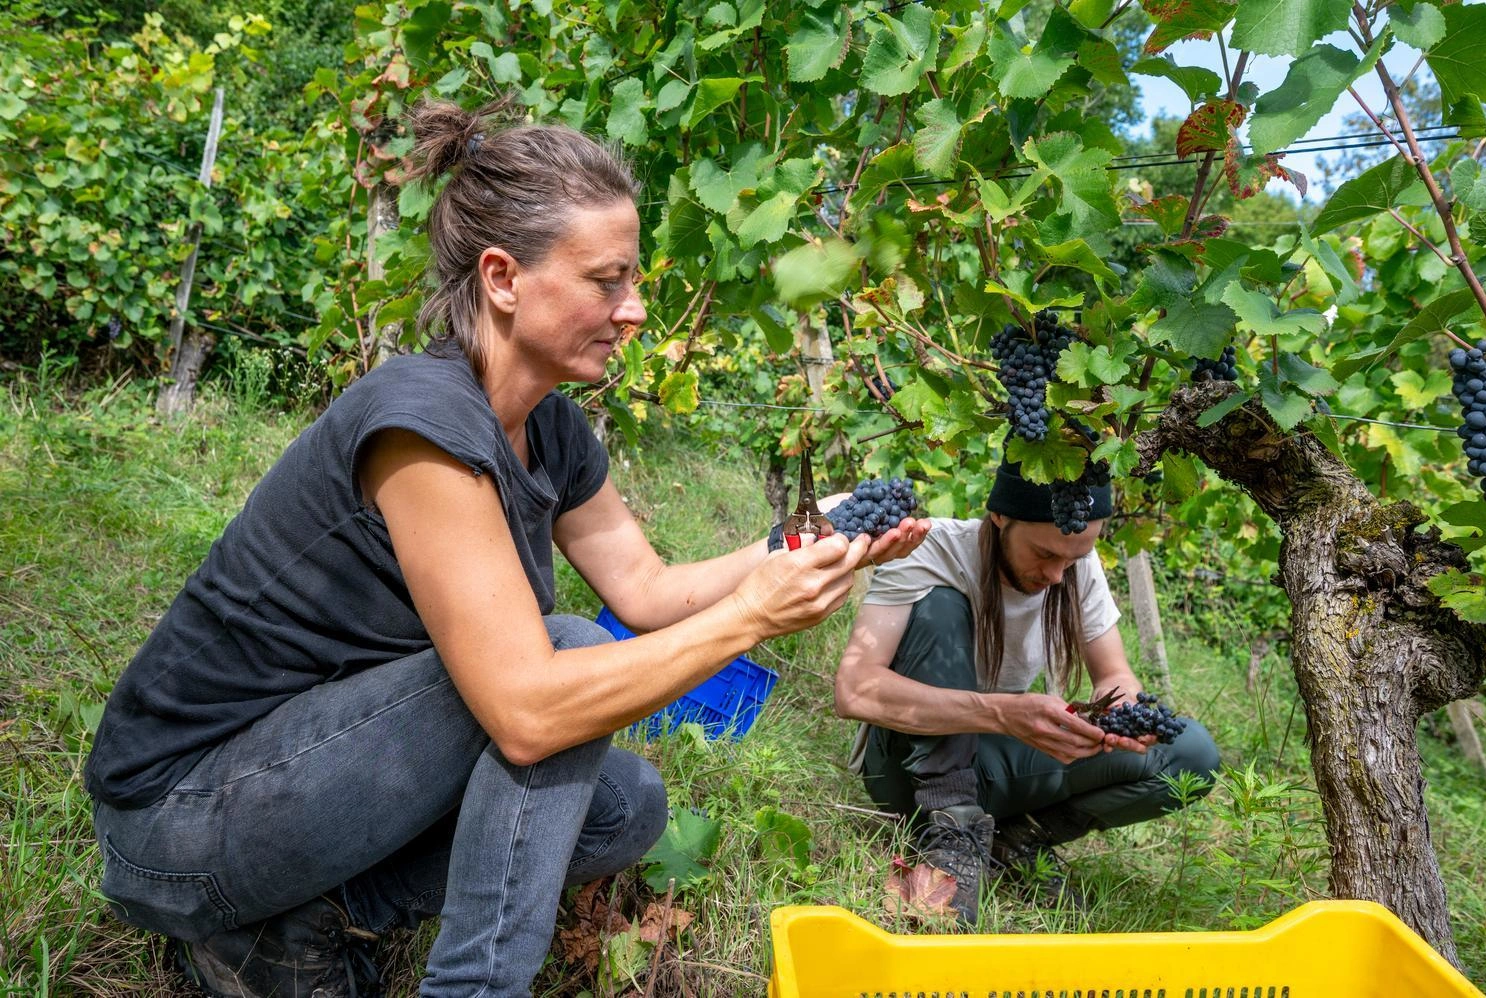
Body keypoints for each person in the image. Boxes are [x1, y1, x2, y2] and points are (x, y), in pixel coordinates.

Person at [83, 98, 929, 998]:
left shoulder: (550, 431)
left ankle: (300, 923)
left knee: (624, 808)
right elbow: (528, 711)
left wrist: (809, 536)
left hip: (315, 780)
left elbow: (646, 589)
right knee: (561, 663)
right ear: (502, 277)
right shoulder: (421, 426)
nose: (635, 309)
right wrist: (752, 619)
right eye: (608, 280)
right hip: (175, 826)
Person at [833, 460, 1219, 924]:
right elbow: (854, 691)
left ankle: (1013, 840)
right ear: (1000, 517)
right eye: (1044, 554)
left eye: (1071, 559)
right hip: (906, 771)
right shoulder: (930, 551)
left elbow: (1115, 675)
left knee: (1192, 755)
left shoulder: (1074, 564)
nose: (1057, 574)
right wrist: (999, 714)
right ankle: (950, 829)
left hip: (989, 763)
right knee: (939, 606)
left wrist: (1119, 719)